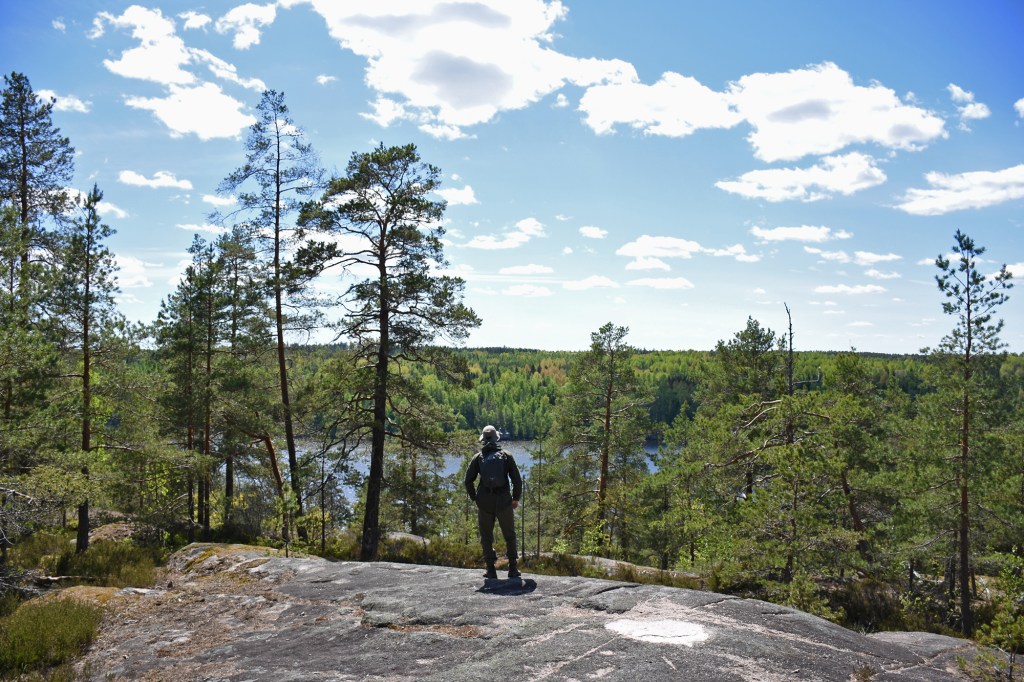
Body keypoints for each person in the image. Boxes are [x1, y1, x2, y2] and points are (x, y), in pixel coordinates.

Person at [465, 425, 522, 579]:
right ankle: (513, 569)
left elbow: (468, 481)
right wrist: (515, 498)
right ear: (497, 438)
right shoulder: (507, 456)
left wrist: (475, 498)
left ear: (483, 440)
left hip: (485, 501)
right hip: (503, 500)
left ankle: (491, 570)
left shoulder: (478, 458)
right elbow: (517, 480)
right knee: (509, 535)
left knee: (486, 536)